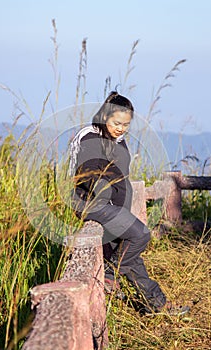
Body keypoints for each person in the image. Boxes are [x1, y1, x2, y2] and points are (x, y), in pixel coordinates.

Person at [69, 91, 189, 315]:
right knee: (140, 235)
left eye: (126, 124)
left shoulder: (118, 141)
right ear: (105, 117)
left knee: (131, 257)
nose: (121, 128)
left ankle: (157, 304)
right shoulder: (89, 137)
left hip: (114, 207)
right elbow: (85, 175)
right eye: (116, 123)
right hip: (92, 204)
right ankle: (109, 274)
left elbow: (121, 177)